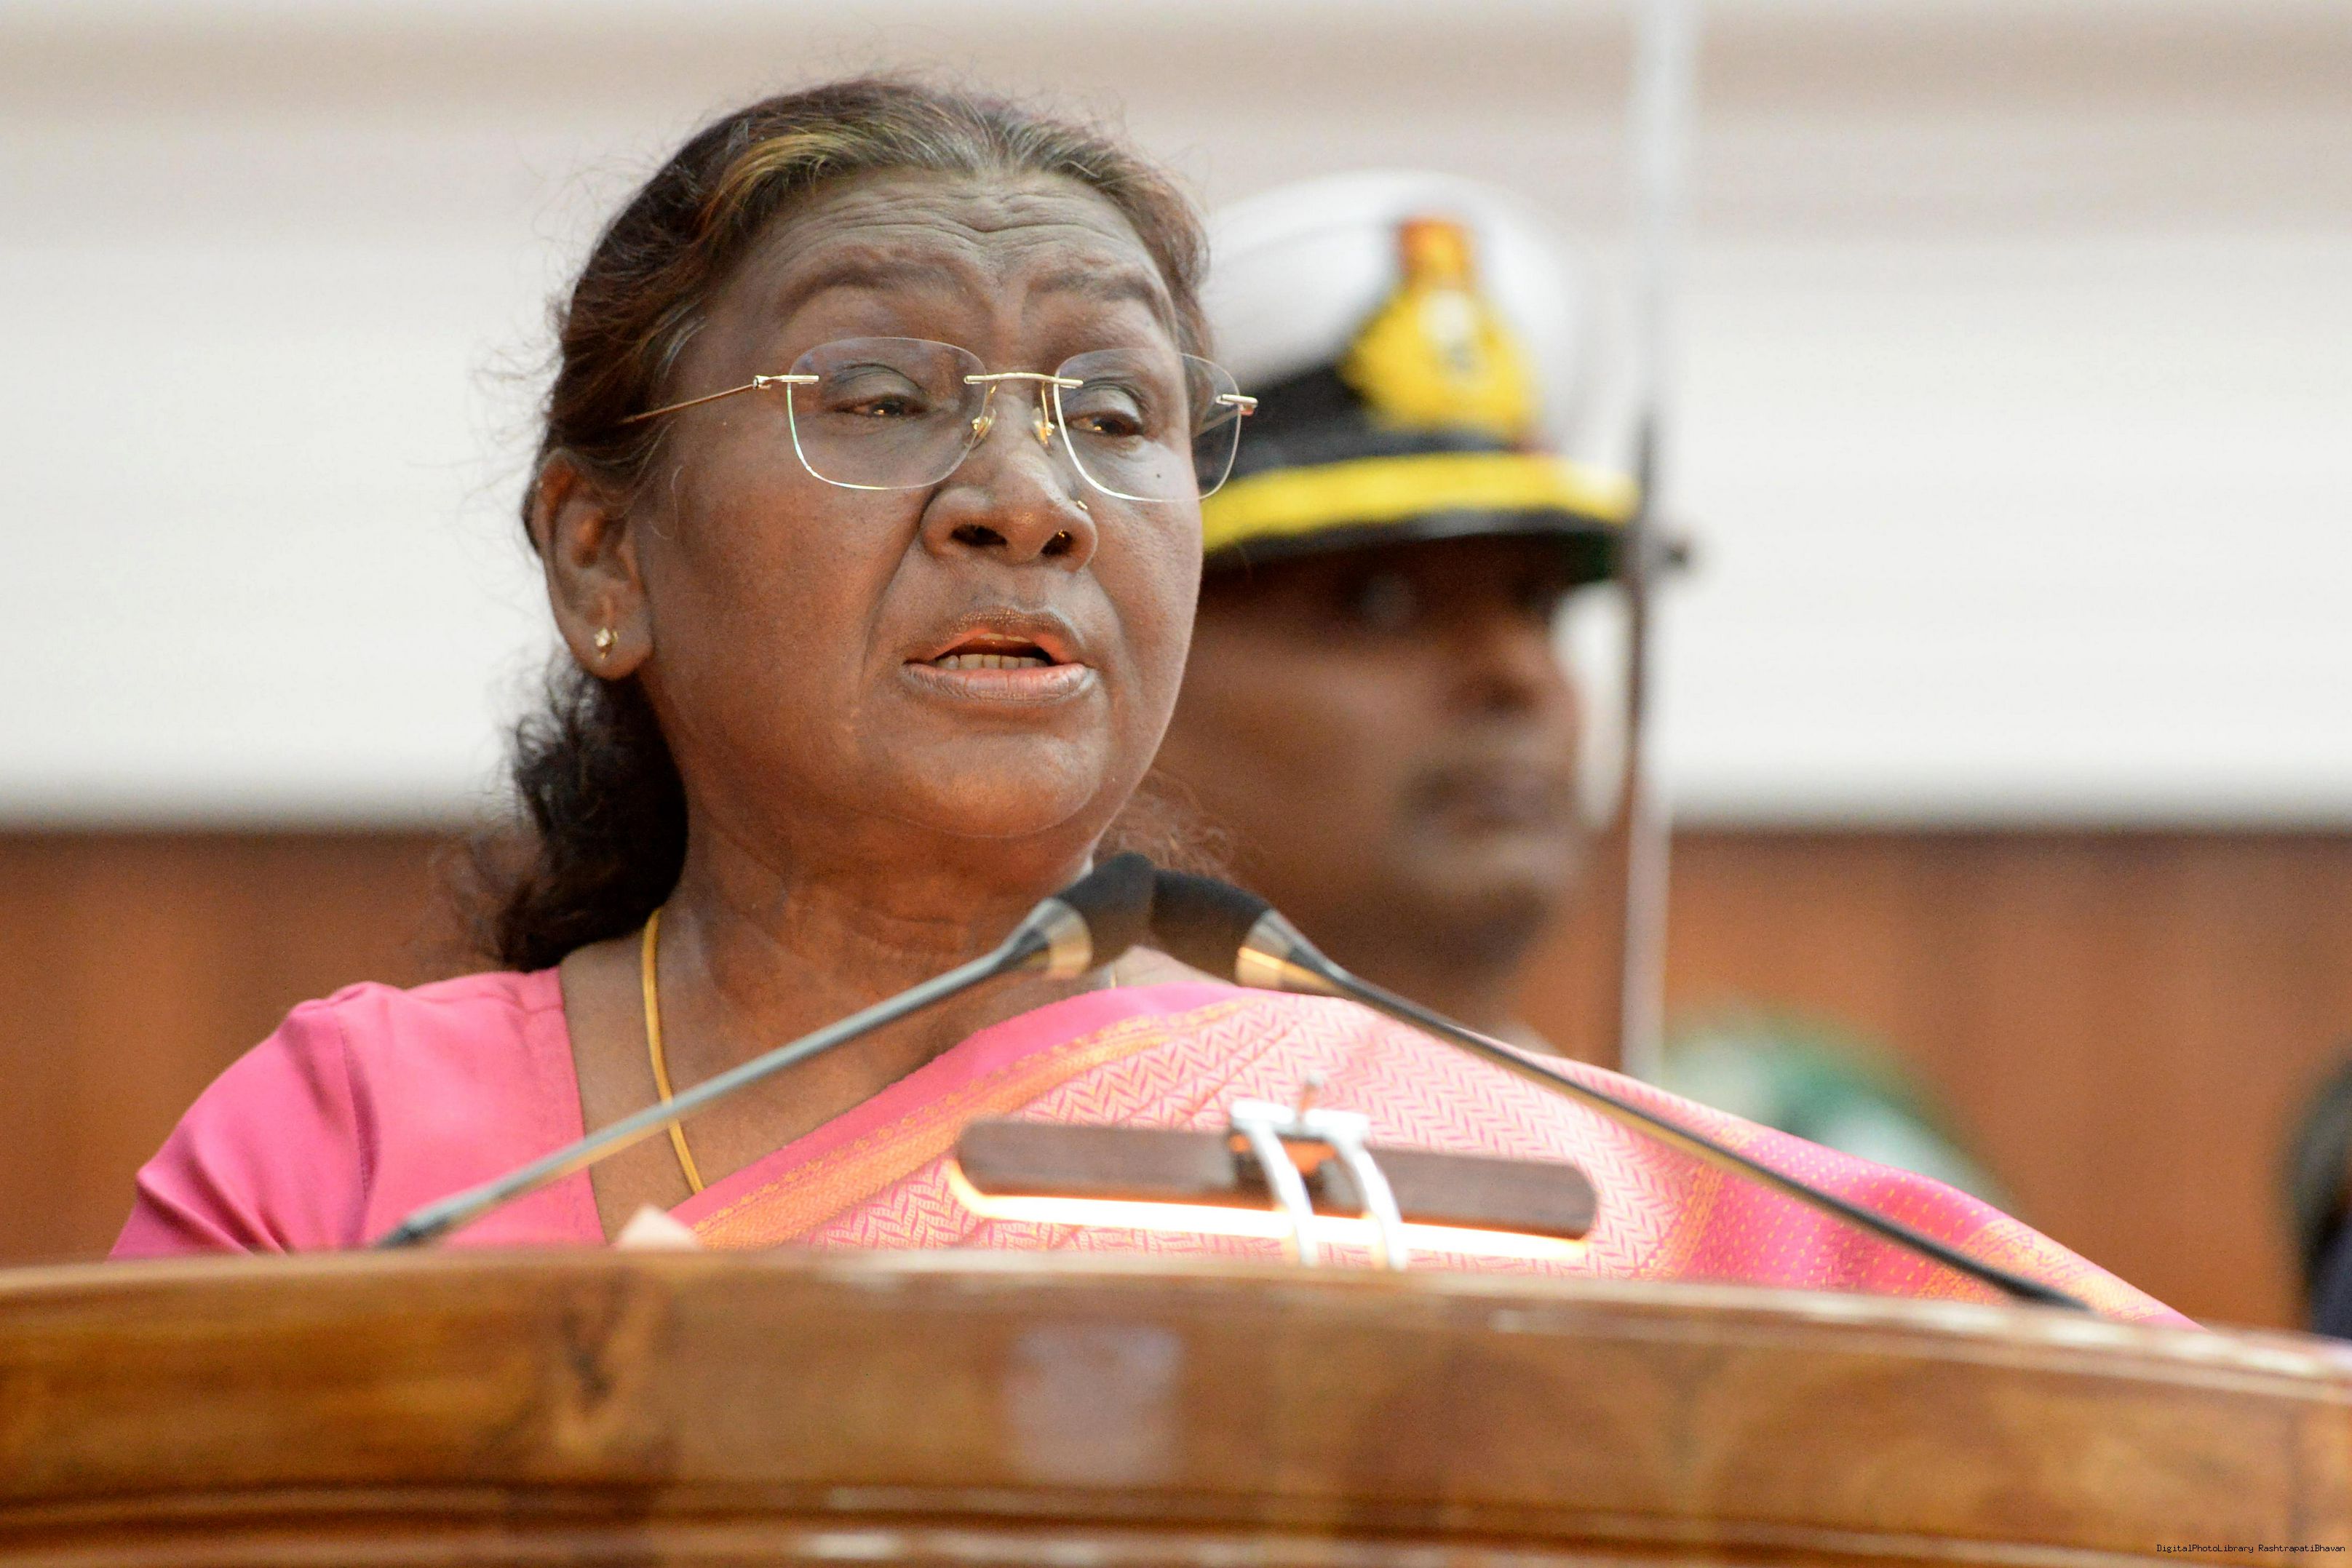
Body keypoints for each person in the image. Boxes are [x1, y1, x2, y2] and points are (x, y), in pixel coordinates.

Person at [109, 80, 2175, 1322]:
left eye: (1114, 413)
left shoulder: (1460, 1147)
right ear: (601, 556)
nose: (1024, 500)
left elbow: (2135, 1446)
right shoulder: (351, 1147)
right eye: (878, 396)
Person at [1148, 175, 1629, 1044]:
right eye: (1377, 602)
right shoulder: (993, 1122)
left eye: (1536, 603)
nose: (1517, 674)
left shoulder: (1650, 1134)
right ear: (1139, 662)